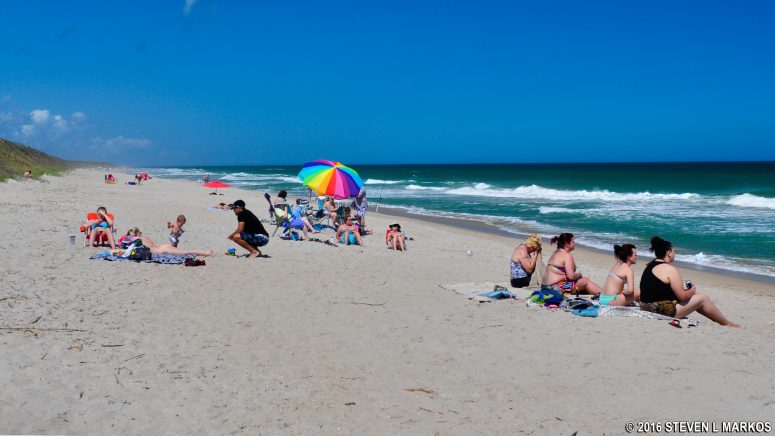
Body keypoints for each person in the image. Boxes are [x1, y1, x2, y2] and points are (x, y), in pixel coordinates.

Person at [640, 236, 740, 327]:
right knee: (703, 298)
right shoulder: (669, 269)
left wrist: (690, 293)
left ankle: (719, 320)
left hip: (645, 305)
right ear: (669, 253)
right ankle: (727, 323)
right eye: (674, 251)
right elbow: (682, 297)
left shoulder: (650, 265)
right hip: (661, 309)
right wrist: (691, 291)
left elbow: (660, 289)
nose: (675, 253)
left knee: (695, 296)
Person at [124, 227, 213, 257]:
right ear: (138, 233)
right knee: (185, 251)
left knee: (186, 251)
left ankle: (207, 253)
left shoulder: (135, 240)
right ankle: (206, 252)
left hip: (161, 249)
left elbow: (124, 243)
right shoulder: (143, 238)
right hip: (161, 247)